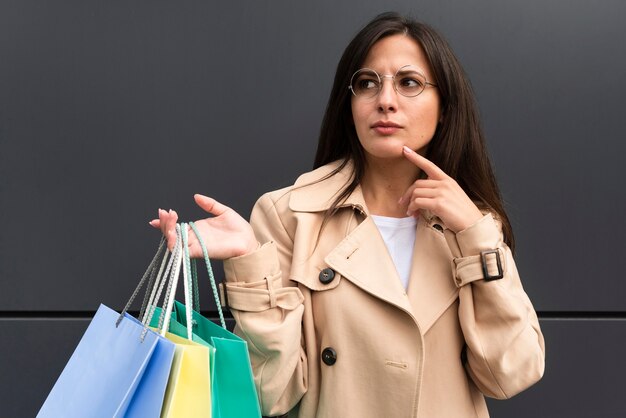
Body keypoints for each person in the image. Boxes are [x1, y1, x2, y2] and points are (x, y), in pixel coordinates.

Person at [150, 12, 545, 418]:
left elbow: (511, 373)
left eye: (409, 83)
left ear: (445, 106)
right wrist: (249, 259)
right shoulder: (291, 214)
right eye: (367, 83)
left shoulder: (473, 225)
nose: (385, 100)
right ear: (350, 102)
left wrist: (474, 235)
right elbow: (269, 394)